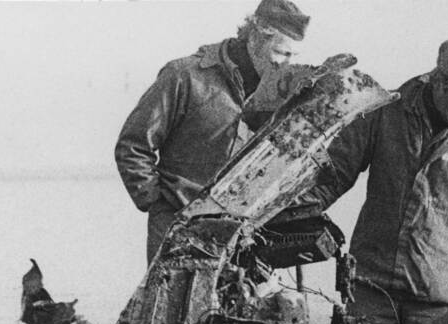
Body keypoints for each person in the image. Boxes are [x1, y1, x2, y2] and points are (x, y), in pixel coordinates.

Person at [309, 35, 448, 324]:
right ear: (437, 78)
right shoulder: (386, 112)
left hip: (436, 305)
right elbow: (333, 175)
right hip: (372, 289)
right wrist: (292, 213)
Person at [115, 0, 309, 262]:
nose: (286, 65)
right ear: (255, 37)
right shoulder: (184, 76)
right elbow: (133, 145)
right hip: (177, 227)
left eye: (293, 57)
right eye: (281, 53)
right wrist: (156, 204)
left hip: (242, 235)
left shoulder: (279, 94)